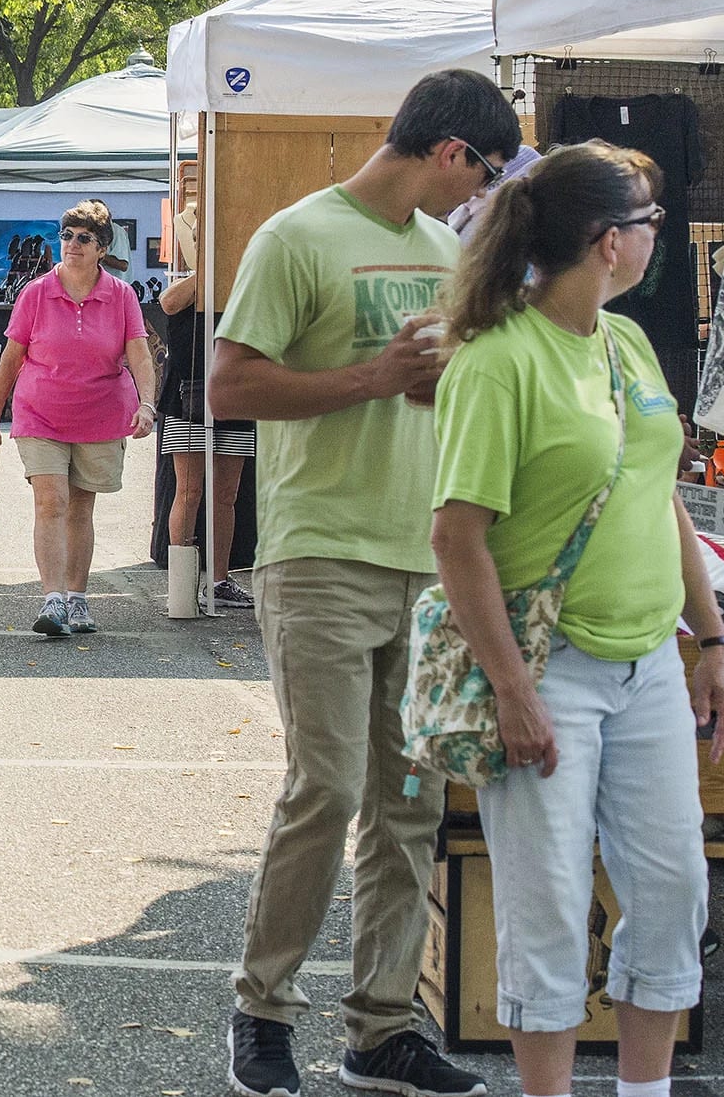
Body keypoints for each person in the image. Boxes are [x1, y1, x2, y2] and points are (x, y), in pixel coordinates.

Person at [210, 68, 518, 1097]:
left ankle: (382, 1028)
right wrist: (371, 379)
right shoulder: (297, 236)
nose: (480, 193)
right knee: (329, 787)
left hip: (424, 562)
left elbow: (458, 392)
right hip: (321, 553)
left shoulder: (447, 253)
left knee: (410, 800)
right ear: (451, 152)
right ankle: (262, 1009)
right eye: (484, 171)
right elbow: (228, 385)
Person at [429, 141, 724, 1097]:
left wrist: (712, 641)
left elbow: (659, 495)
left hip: (650, 664)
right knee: (550, 908)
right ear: (609, 241)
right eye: (651, 222)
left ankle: (645, 1090)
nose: (657, 237)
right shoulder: (497, 361)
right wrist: (514, 693)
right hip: (547, 668)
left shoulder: (625, 341)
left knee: (674, 891)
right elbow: (456, 538)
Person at [0, 199, 156, 637]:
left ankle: (77, 598)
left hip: (100, 414)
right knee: (51, 501)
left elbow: (139, 354)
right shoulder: (36, 293)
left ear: (102, 249)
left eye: (83, 238)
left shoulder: (121, 296)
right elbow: (12, 359)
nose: (72, 244)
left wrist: (147, 403)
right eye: (66, 236)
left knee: (80, 507)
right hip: (41, 413)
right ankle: (52, 599)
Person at [159, 202, 255, 610]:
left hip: (234, 393)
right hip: (189, 394)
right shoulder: (195, 282)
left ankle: (218, 580)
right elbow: (168, 303)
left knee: (226, 494)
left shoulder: (245, 278)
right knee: (190, 489)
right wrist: (208, 270)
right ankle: (182, 584)